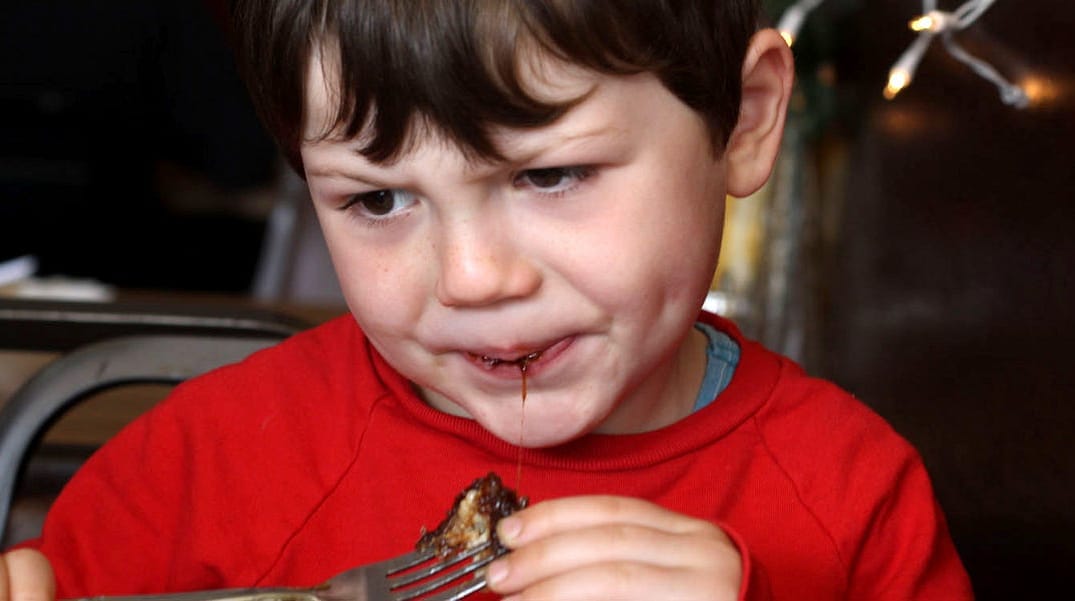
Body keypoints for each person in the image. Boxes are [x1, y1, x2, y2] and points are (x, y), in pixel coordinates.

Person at [1, 1, 973, 599]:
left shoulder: (851, 496)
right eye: (377, 199)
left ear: (745, 119)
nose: (469, 277)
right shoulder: (204, 461)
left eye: (549, 176)